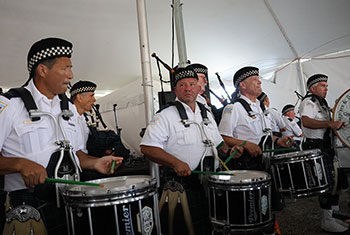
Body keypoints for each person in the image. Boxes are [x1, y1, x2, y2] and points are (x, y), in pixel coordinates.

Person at [0, 37, 123, 234]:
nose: (71, 75)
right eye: (65, 68)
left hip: (70, 203)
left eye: (71, 68)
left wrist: (95, 163)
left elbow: (76, 155)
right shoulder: (10, 105)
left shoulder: (70, 110)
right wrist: (19, 164)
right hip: (28, 208)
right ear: (42, 70)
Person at [140, 66, 243, 234]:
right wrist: (175, 162)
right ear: (175, 89)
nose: (188, 88)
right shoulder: (164, 115)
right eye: (182, 85)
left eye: (191, 84)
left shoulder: (207, 113)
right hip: (183, 185)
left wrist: (230, 150)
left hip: (210, 182)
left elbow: (218, 145)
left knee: (214, 226)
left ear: (198, 88)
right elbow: (147, 147)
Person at [300, 74, 348, 234]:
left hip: (327, 148)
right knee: (326, 186)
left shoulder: (323, 104)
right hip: (316, 148)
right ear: (312, 88)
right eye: (322, 85)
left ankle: (334, 216)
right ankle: (327, 220)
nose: (326, 88)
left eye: (326, 85)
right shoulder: (309, 102)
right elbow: (306, 121)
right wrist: (330, 123)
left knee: (336, 185)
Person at [219, 66, 293, 170]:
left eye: (258, 79)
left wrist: (278, 141)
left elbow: (262, 136)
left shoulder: (263, 107)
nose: (259, 82)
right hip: (247, 165)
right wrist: (246, 144)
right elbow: (223, 137)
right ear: (243, 85)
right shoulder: (234, 108)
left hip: (267, 162)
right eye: (254, 79)